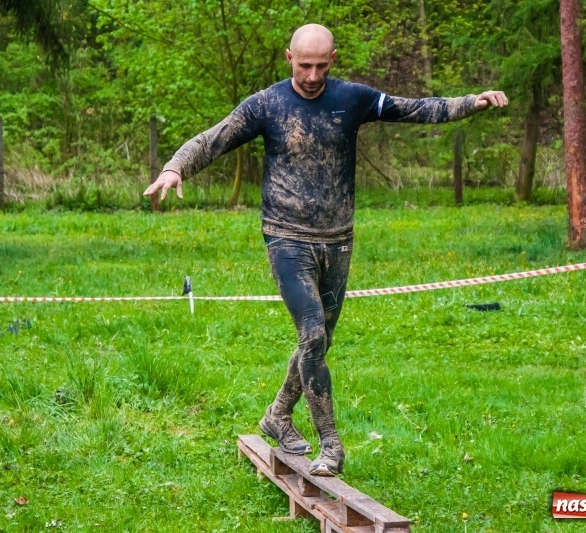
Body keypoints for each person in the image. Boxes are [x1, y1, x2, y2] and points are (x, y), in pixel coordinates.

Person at [144, 23, 508, 477]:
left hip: (338, 239)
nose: (312, 75)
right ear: (288, 58)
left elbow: (411, 108)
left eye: (320, 65)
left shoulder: (351, 99)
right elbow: (213, 138)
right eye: (304, 65)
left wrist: (469, 104)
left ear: (332, 59)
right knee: (313, 334)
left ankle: (277, 415)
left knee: (318, 341)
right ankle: (331, 444)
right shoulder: (267, 104)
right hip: (286, 236)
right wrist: (175, 167)